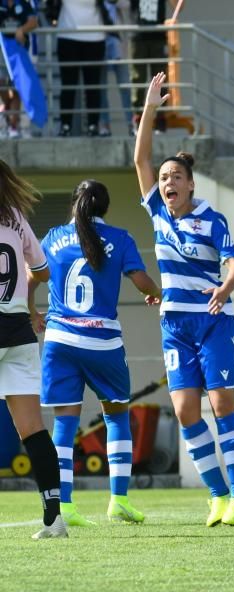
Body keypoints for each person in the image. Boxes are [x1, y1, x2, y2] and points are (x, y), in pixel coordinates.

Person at [134, 72, 234, 526]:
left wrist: (224, 288)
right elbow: (139, 155)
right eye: (163, 178)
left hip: (214, 320)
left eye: (175, 177)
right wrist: (149, 108)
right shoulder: (158, 214)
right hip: (175, 325)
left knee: (223, 405)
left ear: (190, 184)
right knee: (185, 412)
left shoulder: (212, 219)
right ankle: (217, 494)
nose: (167, 183)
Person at [31, 179, 161, 526]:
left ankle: (66, 507)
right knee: (116, 418)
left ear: (74, 204)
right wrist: (159, 295)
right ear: (104, 208)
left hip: (60, 341)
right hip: (102, 343)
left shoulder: (54, 237)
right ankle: (118, 500)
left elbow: (31, 278)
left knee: (64, 422)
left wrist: (32, 312)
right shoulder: (119, 238)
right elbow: (141, 279)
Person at [0, 159, 66, 539]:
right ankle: (53, 519)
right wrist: (27, 299)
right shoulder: (15, 215)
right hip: (18, 331)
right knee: (33, 430)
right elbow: (41, 269)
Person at [48, 0, 112, 136]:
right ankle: (65, 125)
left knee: (93, 86)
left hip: (95, 37)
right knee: (68, 85)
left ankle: (93, 125)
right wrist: (51, 18)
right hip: (67, 36)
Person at [129, 0, 173, 133]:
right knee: (138, 79)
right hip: (138, 36)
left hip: (158, 37)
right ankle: (138, 118)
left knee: (160, 79)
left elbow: (178, 5)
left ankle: (160, 119)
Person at [0, 0, 38, 138]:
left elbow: (34, 22)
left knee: (16, 88)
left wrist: (21, 30)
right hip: (1, 51)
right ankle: (8, 113)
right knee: (2, 85)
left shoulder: (24, 3)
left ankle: (13, 126)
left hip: (19, 51)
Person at [97, 1, 132, 136]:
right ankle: (104, 124)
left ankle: (131, 123)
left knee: (125, 87)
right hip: (99, 43)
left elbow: (126, 5)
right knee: (101, 88)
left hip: (118, 45)